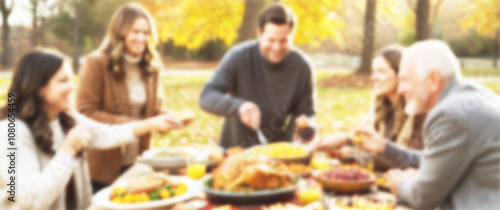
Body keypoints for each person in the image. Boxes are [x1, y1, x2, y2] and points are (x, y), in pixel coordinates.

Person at [321, 40, 500, 209]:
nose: (401, 89)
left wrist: (400, 182)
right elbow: (429, 159)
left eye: (406, 80)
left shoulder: (449, 113)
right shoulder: (470, 96)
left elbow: (421, 197)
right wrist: (384, 148)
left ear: (433, 80)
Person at [0, 50, 183, 210]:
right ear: (39, 88)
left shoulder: (65, 117)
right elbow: (33, 199)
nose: (73, 87)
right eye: (63, 81)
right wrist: (68, 152)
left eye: (72, 80)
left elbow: (104, 135)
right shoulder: (11, 132)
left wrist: (153, 123)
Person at [75, 3, 175, 193]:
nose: (142, 38)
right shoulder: (96, 63)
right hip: (102, 167)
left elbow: (151, 110)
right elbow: (85, 113)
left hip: (138, 161)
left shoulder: (151, 67)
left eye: (146, 33)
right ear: (120, 32)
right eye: (135, 32)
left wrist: (167, 117)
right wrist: (139, 126)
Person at [199, 3, 315, 149]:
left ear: (292, 35)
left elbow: (306, 112)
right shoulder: (239, 57)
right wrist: (239, 106)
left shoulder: (302, 66)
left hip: (280, 154)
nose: (277, 47)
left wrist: (307, 124)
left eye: (283, 41)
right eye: (271, 40)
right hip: (236, 151)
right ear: (259, 33)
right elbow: (207, 97)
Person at [318, 46, 426, 170]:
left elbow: (404, 161)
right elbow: (370, 146)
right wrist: (345, 145)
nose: (374, 77)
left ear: (400, 74)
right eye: (374, 71)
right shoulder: (381, 106)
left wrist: (351, 152)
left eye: (381, 71)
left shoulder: (418, 112)